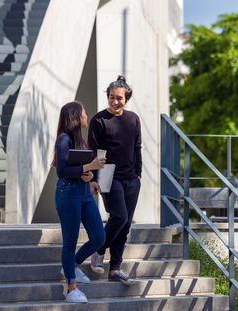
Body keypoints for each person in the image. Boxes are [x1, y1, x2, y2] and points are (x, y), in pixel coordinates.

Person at [88, 76, 141, 285]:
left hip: (131, 177)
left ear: (126, 99)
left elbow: (137, 147)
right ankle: (99, 250)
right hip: (108, 173)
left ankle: (115, 269)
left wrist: (139, 173)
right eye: (111, 97)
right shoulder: (98, 120)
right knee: (118, 217)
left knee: (126, 224)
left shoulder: (133, 119)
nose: (114, 101)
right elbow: (93, 151)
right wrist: (92, 178)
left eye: (119, 98)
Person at [53, 101, 106, 303]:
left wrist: (89, 177)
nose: (86, 116)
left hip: (84, 193)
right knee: (70, 241)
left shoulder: (81, 142)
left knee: (99, 237)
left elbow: (81, 169)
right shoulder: (63, 140)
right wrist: (89, 166)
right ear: (76, 117)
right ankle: (71, 288)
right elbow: (61, 171)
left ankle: (73, 264)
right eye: (83, 113)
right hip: (68, 193)